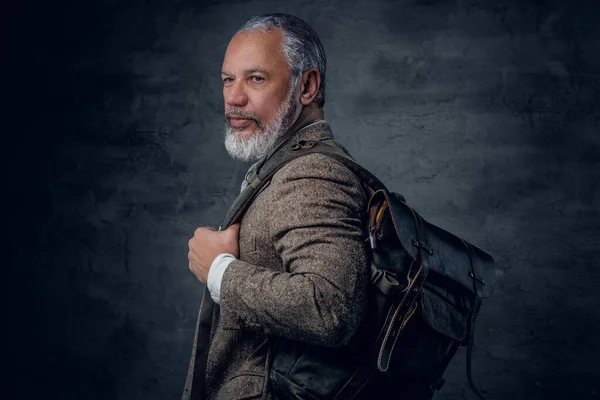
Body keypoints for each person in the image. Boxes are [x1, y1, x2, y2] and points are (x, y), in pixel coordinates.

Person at [183, 13, 369, 400]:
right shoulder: (284, 167)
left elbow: (329, 308)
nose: (234, 97)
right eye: (228, 79)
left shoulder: (313, 174)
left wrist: (219, 270)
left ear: (307, 86)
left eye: (256, 78)